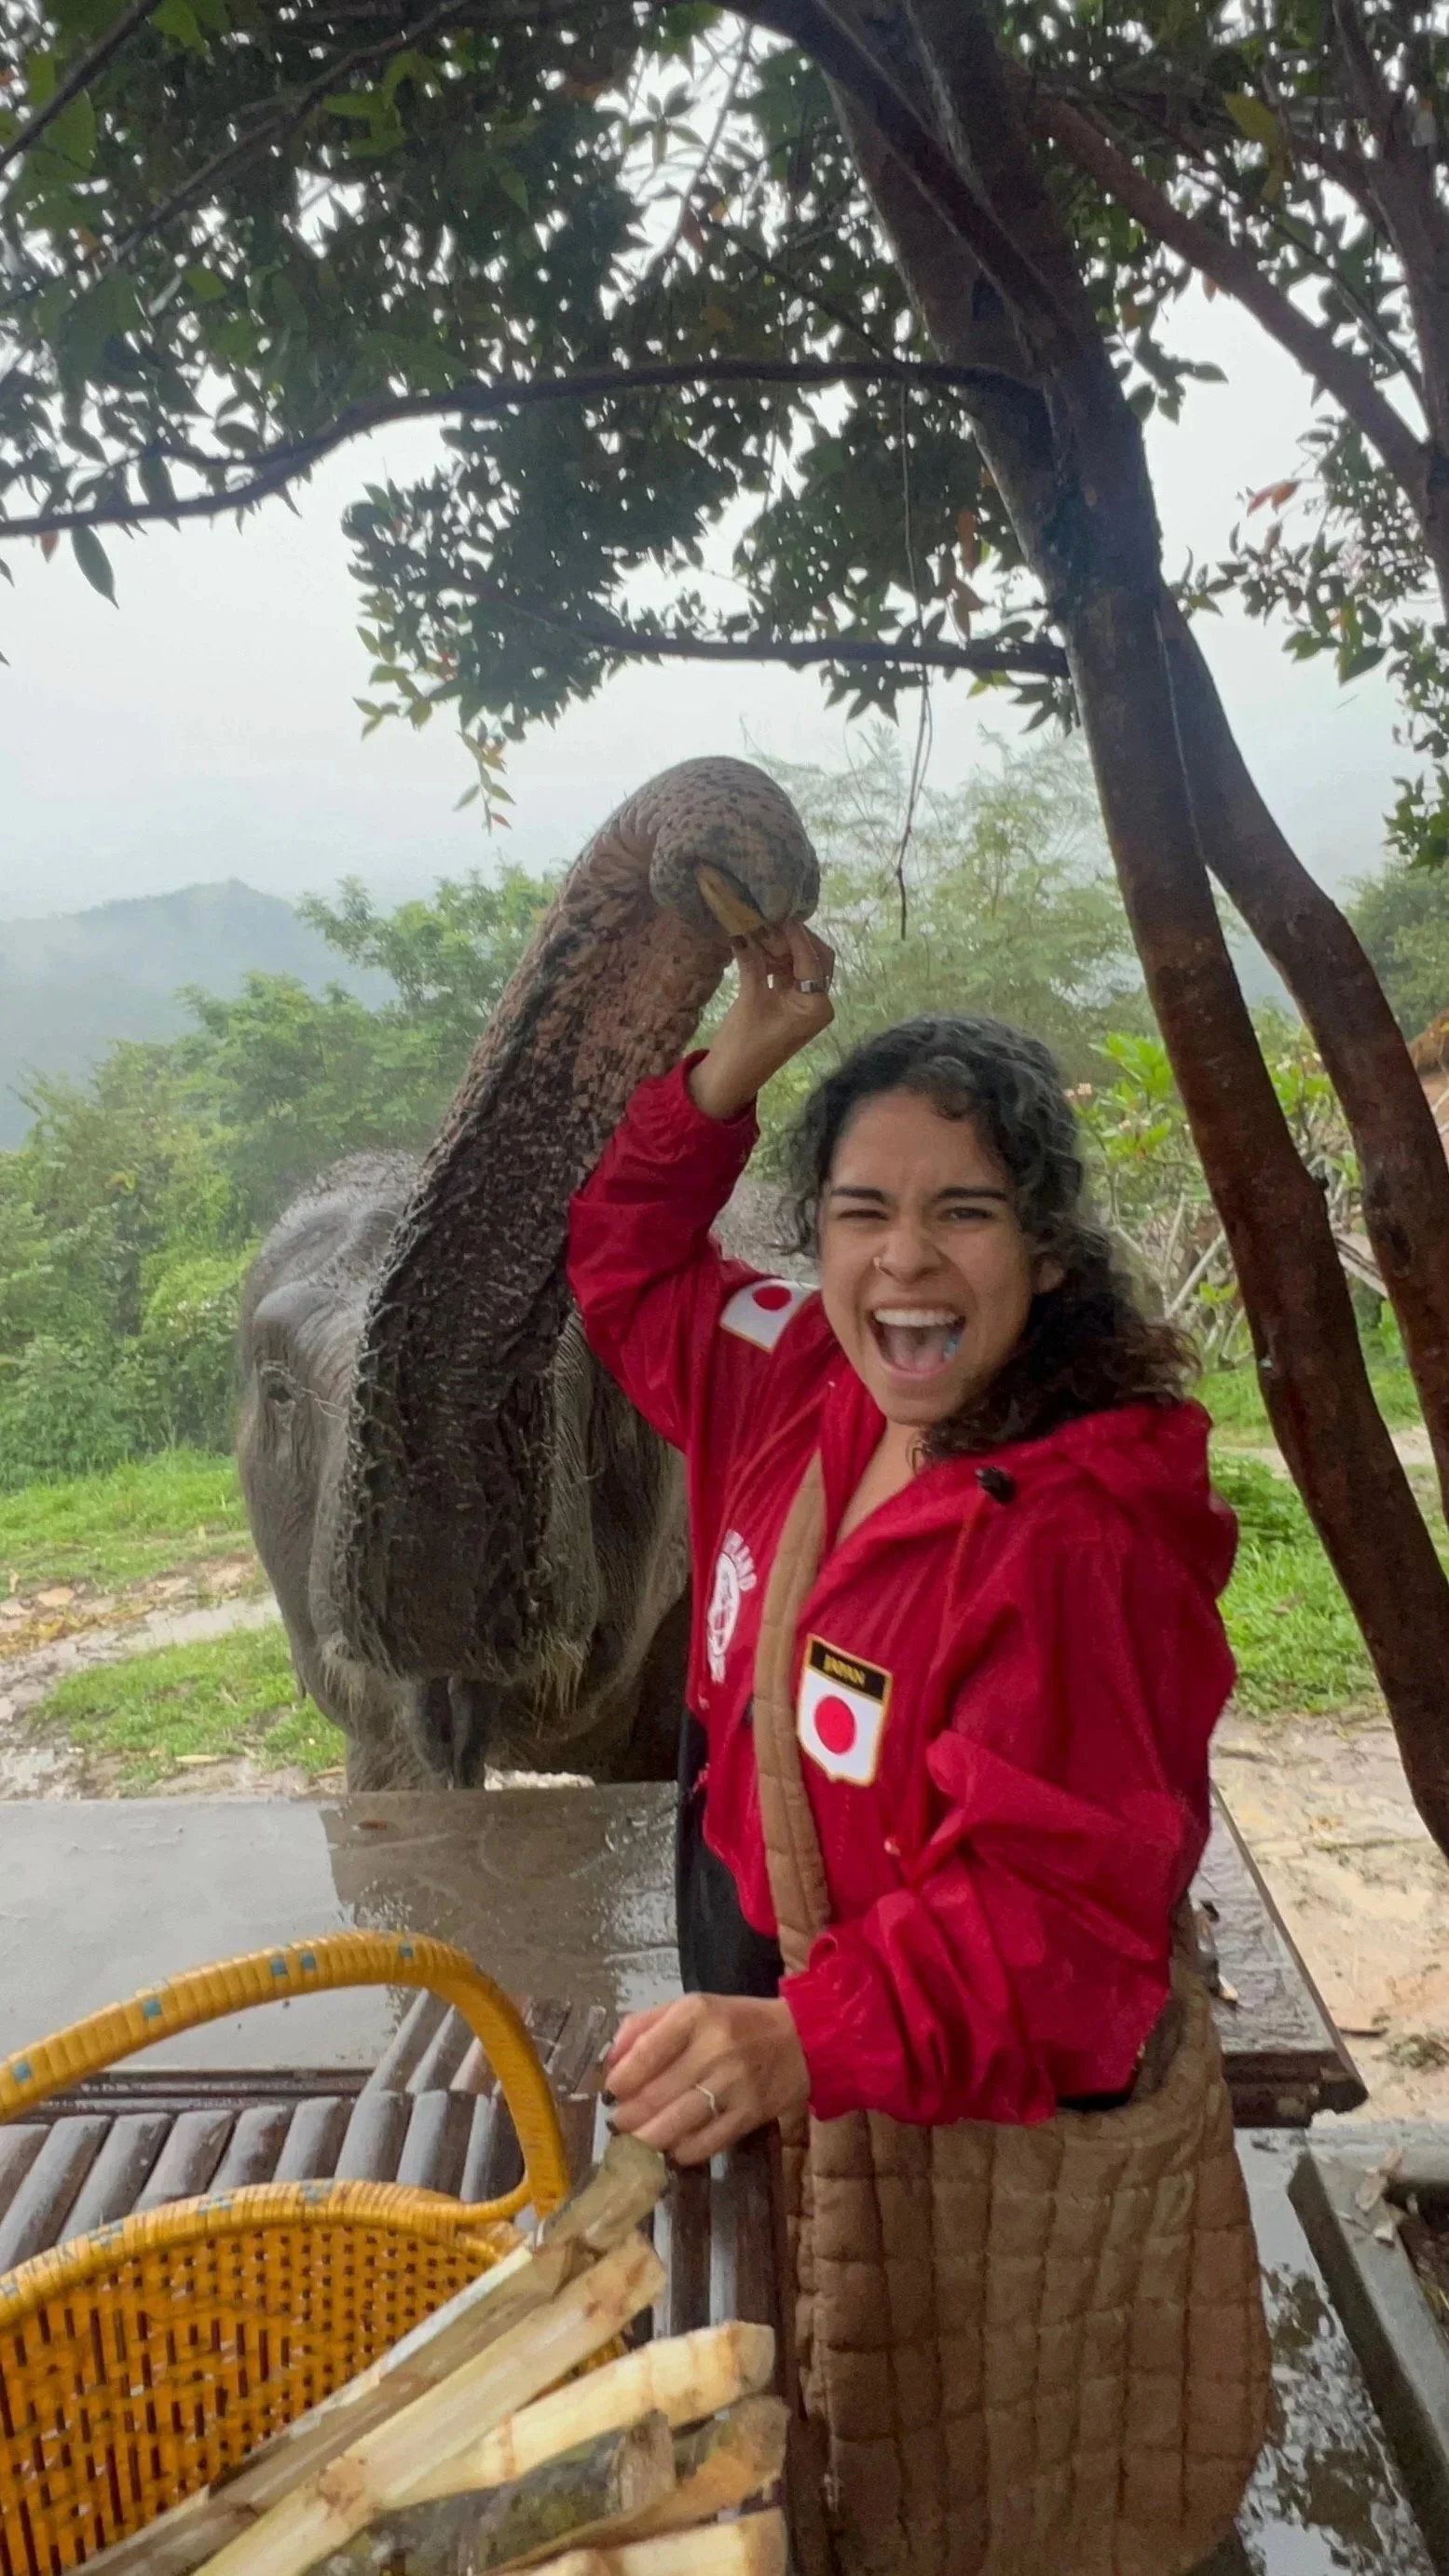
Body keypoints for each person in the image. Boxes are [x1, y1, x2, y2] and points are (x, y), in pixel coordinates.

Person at [565, 919, 1239, 2162]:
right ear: (814, 1234)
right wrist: (736, 1065)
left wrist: (805, 2039)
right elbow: (626, 1273)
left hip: (934, 2062)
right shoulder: (792, 1372)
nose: (905, 1257)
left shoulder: (1084, 1538)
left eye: (963, 1213)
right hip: (741, 1917)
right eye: (860, 1211)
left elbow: (1065, 1924)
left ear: (1042, 1252)